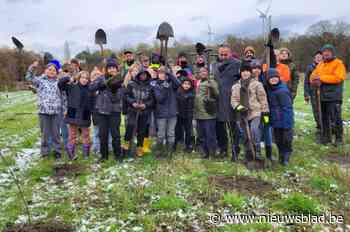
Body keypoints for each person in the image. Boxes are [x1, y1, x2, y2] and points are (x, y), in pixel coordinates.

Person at [231, 62, 269, 162]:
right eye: (243, 71)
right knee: (244, 134)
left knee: (253, 130)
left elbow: (263, 99)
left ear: (250, 72)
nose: (245, 73)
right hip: (242, 114)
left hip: (255, 112)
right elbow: (233, 101)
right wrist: (240, 108)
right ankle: (248, 153)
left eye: (247, 71)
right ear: (240, 73)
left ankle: (257, 151)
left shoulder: (256, 84)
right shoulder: (236, 86)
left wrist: (265, 113)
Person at [25, 59, 62, 159]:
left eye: (54, 70)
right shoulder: (40, 81)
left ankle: (57, 151)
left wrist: (65, 108)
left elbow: (63, 96)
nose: (51, 71)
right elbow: (29, 77)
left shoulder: (59, 82)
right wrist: (33, 67)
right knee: (45, 134)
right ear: (45, 70)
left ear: (56, 72)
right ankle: (45, 152)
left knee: (56, 133)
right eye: (49, 69)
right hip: (43, 112)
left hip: (55, 111)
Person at [310, 44, 346, 145]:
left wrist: (321, 78)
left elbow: (338, 78)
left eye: (328, 51)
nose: (326, 53)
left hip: (334, 96)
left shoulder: (338, 63)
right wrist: (313, 81)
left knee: (336, 117)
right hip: (321, 96)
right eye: (324, 51)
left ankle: (339, 139)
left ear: (332, 53)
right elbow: (313, 76)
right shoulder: (320, 64)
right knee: (324, 118)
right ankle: (326, 138)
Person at [89, 58, 124, 162]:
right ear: (107, 69)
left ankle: (118, 155)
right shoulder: (101, 78)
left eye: (114, 68)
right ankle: (104, 156)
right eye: (110, 68)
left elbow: (118, 97)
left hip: (115, 111)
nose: (112, 69)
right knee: (102, 135)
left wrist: (113, 89)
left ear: (117, 69)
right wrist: (102, 84)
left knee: (116, 135)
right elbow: (91, 88)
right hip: (102, 111)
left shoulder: (119, 80)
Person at [213, 45, 241, 159]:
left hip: (231, 99)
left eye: (226, 54)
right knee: (219, 127)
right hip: (218, 100)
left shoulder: (237, 64)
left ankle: (235, 150)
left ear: (230, 53)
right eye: (221, 54)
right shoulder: (214, 65)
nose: (223, 56)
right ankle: (223, 149)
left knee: (233, 127)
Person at [58, 71, 93, 160]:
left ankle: (86, 155)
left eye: (86, 78)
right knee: (72, 135)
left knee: (86, 135)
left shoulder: (90, 88)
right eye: (82, 77)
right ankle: (71, 154)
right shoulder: (71, 87)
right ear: (78, 78)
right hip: (73, 114)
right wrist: (69, 78)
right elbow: (60, 84)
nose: (84, 80)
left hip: (85, 114)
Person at [266, 68, 294, 165]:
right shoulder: (270, 89)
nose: (273, 79)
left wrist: (287, 125)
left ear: (278, 78)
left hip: (284, 121)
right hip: (275, 120)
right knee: (278, 140)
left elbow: (287, 108)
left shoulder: (282, 91)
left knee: (286, 139)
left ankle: (286, 157)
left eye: (275, 78)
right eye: (271, 78)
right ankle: (281, 155)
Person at [123, 70, 154, 156]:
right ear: (138, 75)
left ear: (147, 75)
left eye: (145, 75)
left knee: (142, 130)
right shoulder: (131, 84)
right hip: (133, 110)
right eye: (141, 74)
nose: (143, 76)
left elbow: (152, 100)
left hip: (144, 111)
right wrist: (132, 102)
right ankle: (126, 144)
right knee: (130, 126)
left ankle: (139, 147)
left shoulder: (150, 86)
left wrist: (145, 105)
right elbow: (126, 95)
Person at [152, 66, 181, 157]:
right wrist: (165, 88)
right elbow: (159, 99)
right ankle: (159, 150)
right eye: (161, 73)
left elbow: (178, 84)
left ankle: (169, 151)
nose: (162, 75)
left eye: (164, 73)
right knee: (161, 134)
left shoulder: (171, 83)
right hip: (161, 114)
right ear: (158, 74)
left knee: (171, 133)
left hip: (172, 113)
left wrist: (170, 74)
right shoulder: (155, 85)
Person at [251, 59, 274, 160]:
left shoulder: (265, 79)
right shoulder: (249, 81)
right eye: (254, 68)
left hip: (266, 111)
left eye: (258, 68)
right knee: (256, 130)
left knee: (267, 128)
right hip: (255, 112)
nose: (256, 70)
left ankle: (269, 154)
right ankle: (256, 152)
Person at [194, 67, 219, 159]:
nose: (203, 73)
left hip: (208, 113)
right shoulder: (198, 82)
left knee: (210, 134)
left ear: (208, 72)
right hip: (198, 114)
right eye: (201, 71)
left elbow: (217, 94)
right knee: (201, 135)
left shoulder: (211, 82)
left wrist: (212, 88)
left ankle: (212, 152)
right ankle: (205, 152)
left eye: (204, 71)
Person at [304, 51, 323, 143]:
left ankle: (328, 127)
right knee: (316, 110)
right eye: (317, 57)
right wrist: (306, 94)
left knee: (325, 110)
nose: (319, 58)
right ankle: (319, 127)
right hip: (313, 92)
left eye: (320, 57)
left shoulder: (325, 66)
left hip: (324, 92)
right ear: (314, 58)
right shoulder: (310, 67)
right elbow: (306, 81)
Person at [175, 77, 195, 153]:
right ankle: (174, 145)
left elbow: (192, 105)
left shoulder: (192, 93)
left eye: (188, 84)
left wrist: (191, 115)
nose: (186, 85)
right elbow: (176, 102)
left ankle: (188, 146)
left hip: (188, 115)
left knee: (188, 131)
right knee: (177, 130)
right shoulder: (179, 92)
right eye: (185, 84)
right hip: (179, 114)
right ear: (182, 84)